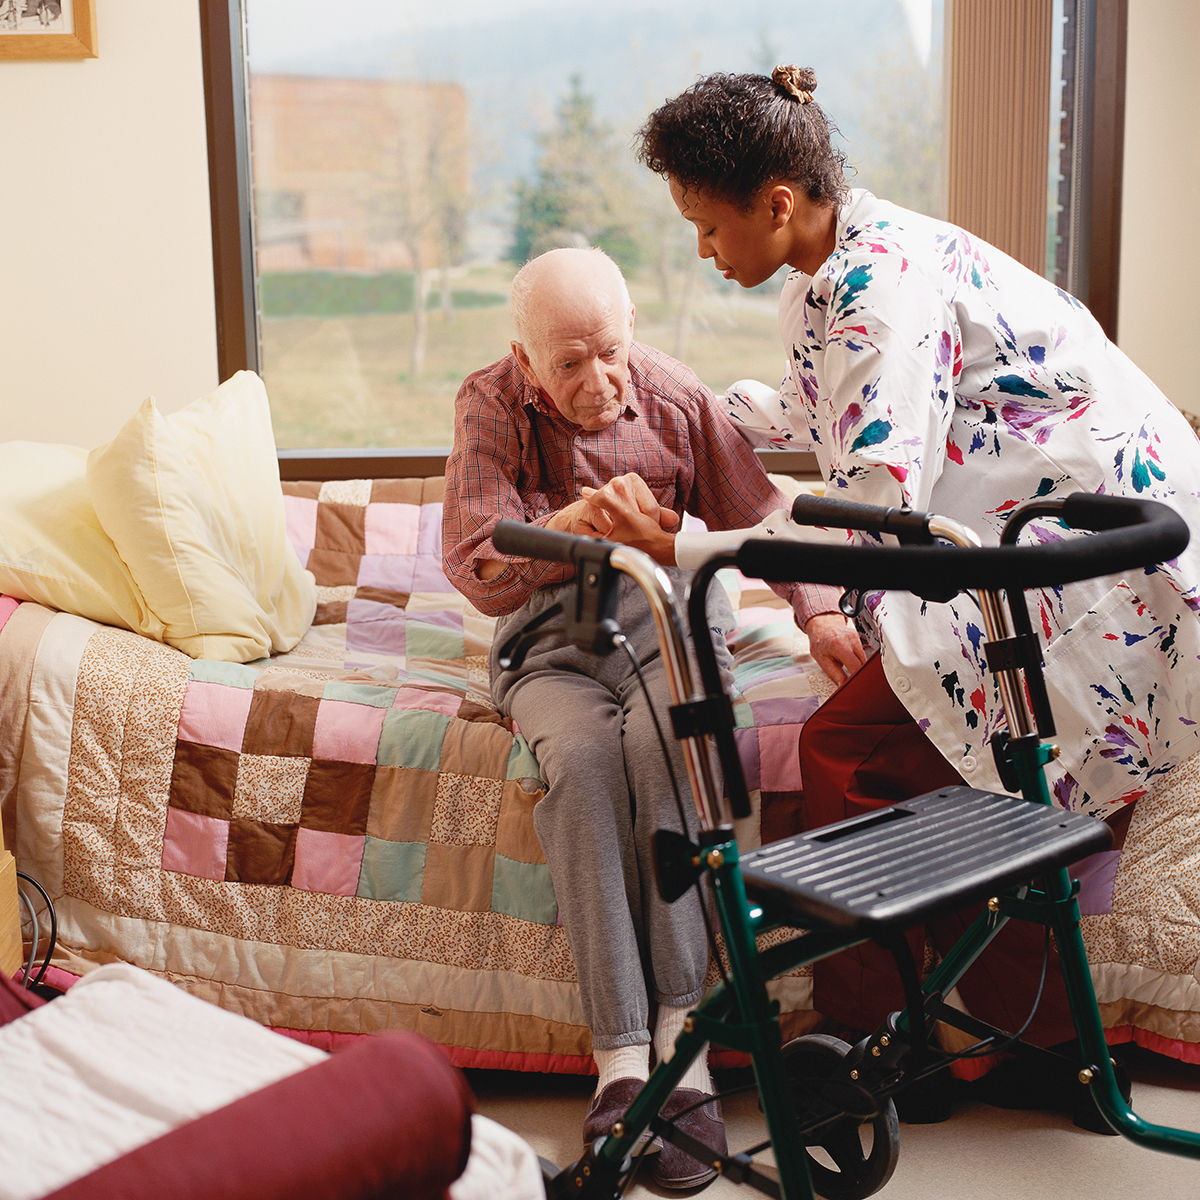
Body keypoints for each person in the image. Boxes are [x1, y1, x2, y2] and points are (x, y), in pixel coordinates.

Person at [572, 65, 1200, 1125]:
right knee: (1009, 776)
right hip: (1047, 548)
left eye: (707, 225)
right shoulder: (840, 267)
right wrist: (675, 396)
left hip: (1103, 566)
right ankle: (1022, 1047)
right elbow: (818, 412)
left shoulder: (878, 286)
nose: (702, 250)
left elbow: (869, 500)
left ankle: (870, 1046)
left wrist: (684, 539)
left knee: (853, 750)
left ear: (777, 201)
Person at [441, 246, 846, 1186]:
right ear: (525, 356)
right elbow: (474, 564)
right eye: (569, 362)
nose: (599, 379)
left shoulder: (673, 394)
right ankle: (620, 1059)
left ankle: (682, 1044)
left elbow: (759, 519)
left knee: (668, 749)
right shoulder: (489, 401)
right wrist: (579, 522)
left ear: (633, 330)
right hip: (549, 639)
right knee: (582, 765)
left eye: (610, 350)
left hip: (663, 619)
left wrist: (819, 609)